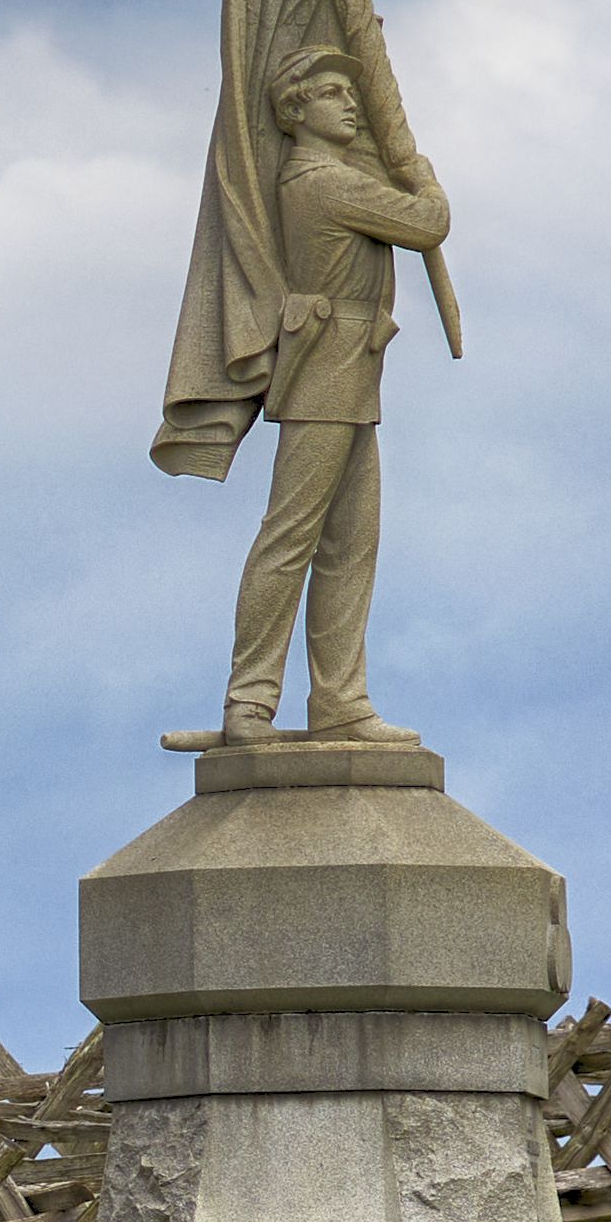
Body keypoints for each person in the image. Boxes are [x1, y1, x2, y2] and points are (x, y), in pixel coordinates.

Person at [201, 48, 447, 743]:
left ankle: (340, 701)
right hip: (327, 368)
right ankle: (249, 702)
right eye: (332, 92)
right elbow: (427, 223)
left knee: (351, 541)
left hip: (353, 368)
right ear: (295, 108)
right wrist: (421, 173)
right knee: (292, 537)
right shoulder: (323, 183)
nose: (350, 103)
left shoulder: (336, 177)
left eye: (350, 91)